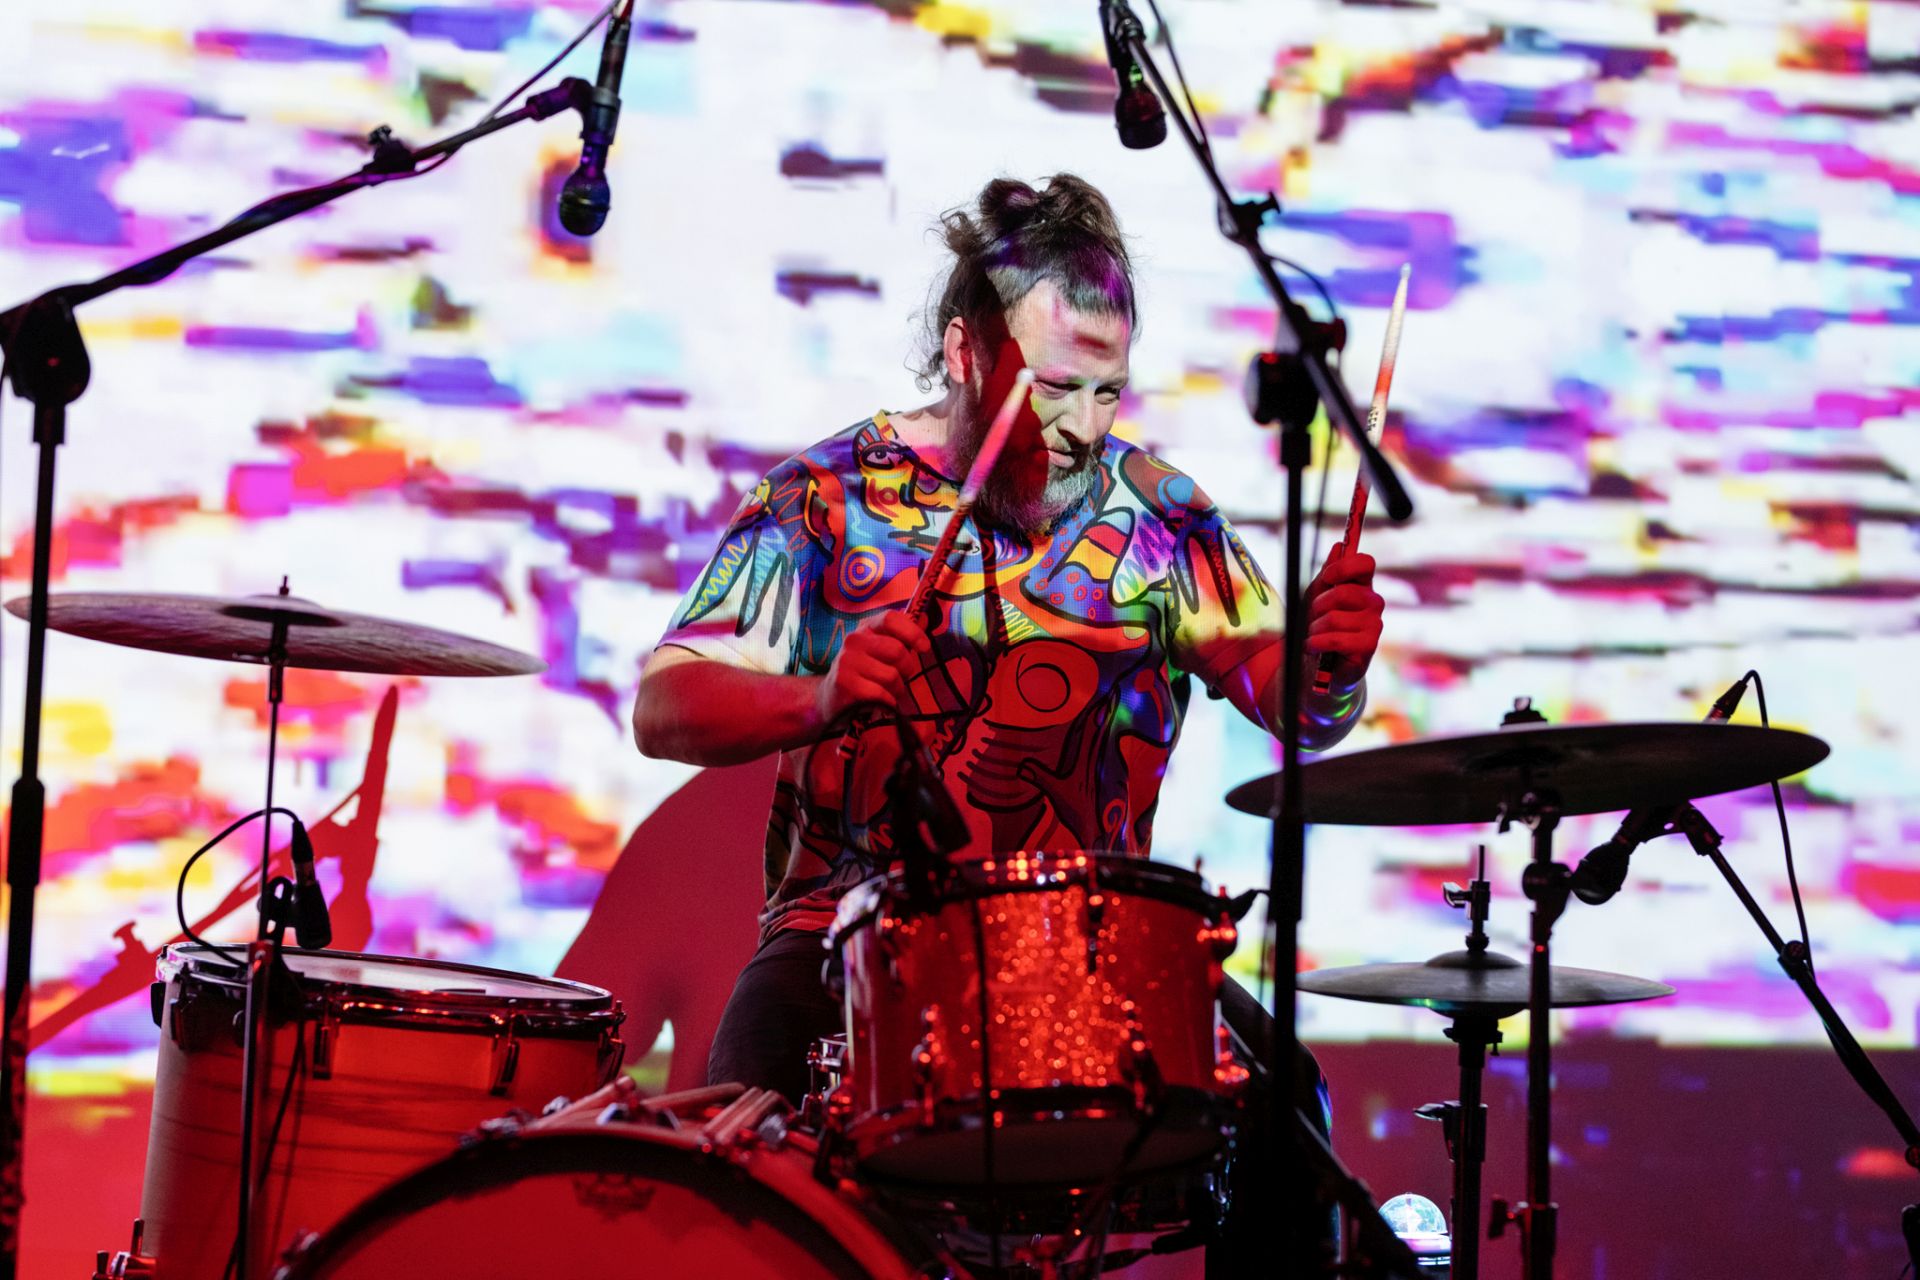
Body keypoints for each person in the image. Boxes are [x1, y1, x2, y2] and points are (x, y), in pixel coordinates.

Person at [633, 172, 1384, 1264]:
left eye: (1108, 392)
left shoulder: (1162, 517)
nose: (1083, 427)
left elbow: (1295, 707)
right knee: (750, 1180)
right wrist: (820, 694)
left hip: (1090, 953)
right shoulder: (824, 500)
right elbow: (666, 706)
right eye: (1055, 388)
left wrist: (1330, 670)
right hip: (848, 946)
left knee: (1290, 1119)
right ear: (964, 353)